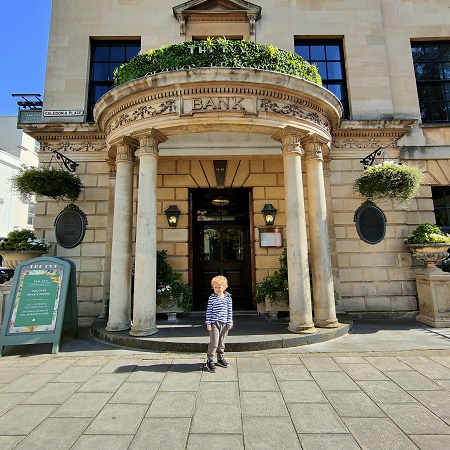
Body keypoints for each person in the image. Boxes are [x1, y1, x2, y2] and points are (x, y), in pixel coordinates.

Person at [205, 275, 233, 373]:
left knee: (222, 341)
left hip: (225, 323)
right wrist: (208, 322)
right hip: (214, 323)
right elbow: (209, 311)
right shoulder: (212, 298)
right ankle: (210, 359)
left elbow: (230, 311)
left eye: (219, 287)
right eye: (215, 287)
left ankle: (220, 357)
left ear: (224, 287)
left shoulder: (228, 298)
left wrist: (230, 322)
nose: (217, 289)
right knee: (214, 341)